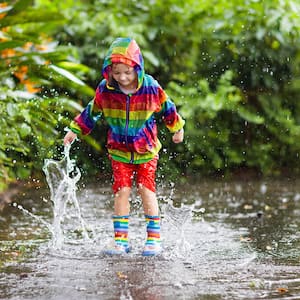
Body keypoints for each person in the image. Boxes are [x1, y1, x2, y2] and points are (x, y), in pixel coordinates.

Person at [64, 37, 185, 256]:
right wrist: (76, 130)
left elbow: (167, 107)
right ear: (109, 71)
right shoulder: (106, 90)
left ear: (137, 68)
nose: (122, 77)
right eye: (117, 73)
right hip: (119, 151)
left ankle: (154, 239)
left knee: (145, 190)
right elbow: (92, 111)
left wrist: (177, 128)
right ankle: (121, 241)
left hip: (146, 150)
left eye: (127, 72)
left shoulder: (149, 87)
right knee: (122, 191)